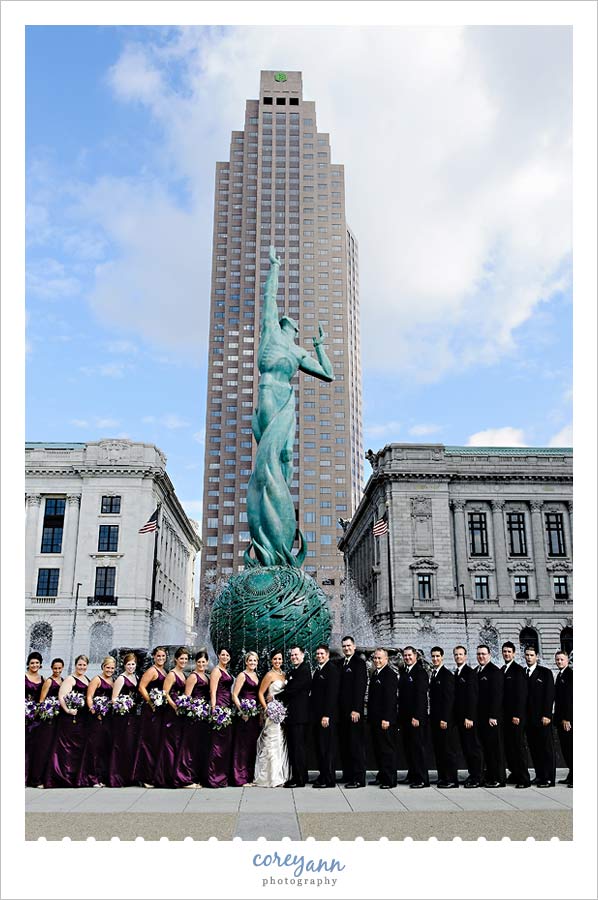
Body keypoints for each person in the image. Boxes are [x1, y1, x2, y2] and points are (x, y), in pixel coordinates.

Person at [246, 246, 334, 568]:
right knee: (267, 456)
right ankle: (268, 521)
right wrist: (275, 267)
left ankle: (281, 514)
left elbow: (328, 374)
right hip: (269, 392)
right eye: (294, 327)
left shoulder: (297, 353)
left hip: (287, 398)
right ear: (286, 325)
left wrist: (320, 347)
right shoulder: (270, 331)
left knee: (285, 456)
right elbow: (269, 298)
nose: (294, 330)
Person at [44, 655, 90, 787]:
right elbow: (62, 696)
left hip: (82, 718)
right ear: (75, 665)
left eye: (84, 665)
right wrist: (68, 710)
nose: (82, 667)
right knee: (66, 746)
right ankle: (61, 776)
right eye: (79, 665)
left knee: (77, 747)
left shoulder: (86, 679)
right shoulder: (70, 679)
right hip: (70, 718)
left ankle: (75, 776)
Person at [153, 647, 190, 788]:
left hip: (180, 711)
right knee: (169, 743)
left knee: (177, 743)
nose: (184, 661)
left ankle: (175, 774)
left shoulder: (183, 674)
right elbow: (165, 692)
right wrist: (175, 706)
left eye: (186, 659)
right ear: (176, 659)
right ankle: (166, 777)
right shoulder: (172, 674)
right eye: (181, 659)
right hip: (171, 711)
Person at [133, 646, 168, 788]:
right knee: (149, 742)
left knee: (156, 742)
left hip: (160, 710)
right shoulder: (152, 670)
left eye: (163, 656)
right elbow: (141, 687)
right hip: (152, 710)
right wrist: (150, 702)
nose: (160, 658)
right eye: (158, 656)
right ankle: (145, 777)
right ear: (153, 657)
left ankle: (154, 774)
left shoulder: (163, 671)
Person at [253, 650, 290, 787]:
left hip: (282, 714)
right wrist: (267, 708)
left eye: (279, 659)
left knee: (281, 743)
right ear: (271, 661)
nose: (277, 661)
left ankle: (281, 775)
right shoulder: (269, 675)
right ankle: (271, 777)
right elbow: (261, 693)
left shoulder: (284, 674)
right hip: (272, 713)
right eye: (275, 659)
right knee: (272, 742)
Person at [79, 655, 116, 787]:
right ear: (103, 667)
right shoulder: (96, 679)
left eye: (112, 668)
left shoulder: (113, 681)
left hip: (108, 718)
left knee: (104, 747)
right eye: (108, 667)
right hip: (97, 717)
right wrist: (94, 710)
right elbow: (89, 696)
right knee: (94, 746)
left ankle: (102, 776)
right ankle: (92, 777)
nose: (110, 670)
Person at [177, 650, 211, 788]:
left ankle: (196, 776)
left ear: (207, 663)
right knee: (190, 747)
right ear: (195, 663)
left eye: (203, 662)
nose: (201, 664)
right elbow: (187, 697)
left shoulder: (207, 677)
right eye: (199, 662)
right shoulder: (193, 676)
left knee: (199, 747)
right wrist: (195, 708)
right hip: (194, 716)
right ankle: (186, 778)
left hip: (203, 716)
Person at [338, 635, 367, 789]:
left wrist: (356, 709)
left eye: (349, 646)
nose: (346, 648)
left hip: (354, 713)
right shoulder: (342, 663)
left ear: (354, 646)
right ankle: (348, 774)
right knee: (346, 744)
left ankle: (358, 779)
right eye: (344, 646)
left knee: (356, 746)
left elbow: (360, 688)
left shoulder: (359, 663)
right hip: (343, 713)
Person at [30, 657, 64, 788]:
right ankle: (36, 779)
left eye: (59, 668)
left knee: (53, 749)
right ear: (51, 668)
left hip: (58, 719)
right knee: (43, 748)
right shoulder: (49, 681)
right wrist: (46, 712)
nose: (57, 670)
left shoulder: (62, 680)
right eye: (55, 668)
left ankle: (49, 777)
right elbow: (41, 700)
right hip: (48, 719)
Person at [398, 646, 429, 788]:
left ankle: (422, 779)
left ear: (415, 655)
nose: (407, 658)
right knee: (409, 748)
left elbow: (421, 697)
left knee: (417, 749)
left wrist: (417, 716)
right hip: (405, 718)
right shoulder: (404, 671)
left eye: (409, 655)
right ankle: (412, 774)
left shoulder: (420, 672)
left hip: (415, 718)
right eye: (405, 655)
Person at [310, 644, 341, 788]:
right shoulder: (318, 670)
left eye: (322, 654)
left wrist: (326, 715)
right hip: (317, 716)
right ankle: (323, 776)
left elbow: (332, 695)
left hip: (326, 717)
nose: (319, 656)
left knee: (327, 749)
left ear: (327, 655)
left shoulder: (332, 670)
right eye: (317, 654)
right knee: (321, 748)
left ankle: (328, 779)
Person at [524, 646, 556, 787]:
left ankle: (549, 778)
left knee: (546, 749)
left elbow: (549, 695)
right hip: (529, 719)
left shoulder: (545, 672)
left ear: (536, 656)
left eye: (531, 655)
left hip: (543, 718)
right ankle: (539, 775)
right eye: (527, 655)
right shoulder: (524, 673)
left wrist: (547, 714)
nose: (529, 657)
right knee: (534, 749)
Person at [281, 645, 312, 788]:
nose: (294, 657)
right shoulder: (294, 670)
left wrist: (275, 696)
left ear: (303, 655)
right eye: (292, 655)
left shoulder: (304, 670)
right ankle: (301, 776)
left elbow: (293, 690)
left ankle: (299, 779)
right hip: (294, 715)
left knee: (298, 748)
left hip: (300, 716)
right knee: (296, 747)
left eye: (296, 655)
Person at [453, 645, 483, 788]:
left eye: (460, 654)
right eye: (456, 655)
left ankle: (477, 776)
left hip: (468, 719)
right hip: (460, 719)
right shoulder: (457, 673)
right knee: (466, 748)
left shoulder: (470, 673)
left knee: (473, 748)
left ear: (465, 656)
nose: (458, 657)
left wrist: (469, 717)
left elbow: (472, 697)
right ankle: (473, 774)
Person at [367, 648, 398, 789]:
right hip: (375, 720)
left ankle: (390, 779)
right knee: (378, 749)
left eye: (380, 658)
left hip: (384, 721)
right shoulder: (375, 674)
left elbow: (391, 700)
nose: (377, 661)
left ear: (386, 659)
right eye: (375, 658)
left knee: (387, 750)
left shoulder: (390, 675)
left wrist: (387, 719)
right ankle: (382, 775)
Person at [107, 652, 139, 788]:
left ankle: (128, 775)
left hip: (132, 715)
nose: (131, 667)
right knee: (120, 744)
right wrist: (123, 704)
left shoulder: (136, 677)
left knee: (130, 744)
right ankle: (116, 776)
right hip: (122, 715)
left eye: (133, 664)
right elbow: (113, 699)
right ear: (124, 665)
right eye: (128, 664)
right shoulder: (121, 679)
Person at [501, 641, 530, 788]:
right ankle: (514, 773)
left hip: (515, 717)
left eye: (509, 652)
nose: (506, 654)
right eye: (504, 651)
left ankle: (524, 778)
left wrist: (518, 715)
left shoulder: (518, 670)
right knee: (510, 747)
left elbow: (521, 695)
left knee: (518, 747)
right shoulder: (503, 669)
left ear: (514, 653)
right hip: (505, 717)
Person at [476, 644, 506, 787]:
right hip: (481, 718)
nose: (481, 656)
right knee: (487, 749)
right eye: (479, 654)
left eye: (483, 654)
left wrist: (493, 715)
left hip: (491, 718)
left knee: (495, 749)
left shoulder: (495, 671)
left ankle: (499, 779)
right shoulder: (477, 671)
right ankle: (490, 776)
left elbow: (497, 696)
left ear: (489, 655)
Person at [231, 651, 262, 786]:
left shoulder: (256, 675)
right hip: (244, 715)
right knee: (242, 745)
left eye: (255, 661)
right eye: (250, 661)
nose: (252, 663)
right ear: (246, 661)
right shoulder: (242, 675)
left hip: (254, 714)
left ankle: (249, 776)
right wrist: (242, 710)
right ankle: (240, 777)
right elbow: (234, 695)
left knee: (251, 745)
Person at [429, 646, 458, 788]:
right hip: (435, 719)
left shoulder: (447, 675)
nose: (435, 659)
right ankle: (443, 777)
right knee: (439, 749)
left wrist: (445, 719)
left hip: (444, 720)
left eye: (437, 656)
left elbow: (449, 699)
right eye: (433, 656)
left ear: (442, 657)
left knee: (447, 750)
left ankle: (452, 779)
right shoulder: (434, 674)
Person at [207, 647, 235, 788]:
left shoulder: (225, 671)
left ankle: (222, 776)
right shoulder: (216, 671)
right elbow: (213, 691)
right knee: (217, 744)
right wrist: (214, 708)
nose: (225, 657)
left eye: (227, 655)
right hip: (219, 707)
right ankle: (214, 777)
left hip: (227, 707)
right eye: (222, 654)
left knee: (224, 744)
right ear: (218, 656)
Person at [554, 650, 573, 787]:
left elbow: (570, 699)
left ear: (567, 660)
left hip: (568, 720)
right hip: (561, 719)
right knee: (566, 749)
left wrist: (567, 718)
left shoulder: (570, 675)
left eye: (562, 659)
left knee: (571, 748)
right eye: (558, 659)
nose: (559, 662)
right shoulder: (560, 675)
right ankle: (571, 775)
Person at [25, 651, 44, 786]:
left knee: (36, 748)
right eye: (32, 663)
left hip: (36, 718)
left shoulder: (42, 679)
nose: (34, 665)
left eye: (37, 663)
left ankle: (34, 778)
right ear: (28, 664)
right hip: (24, 716)